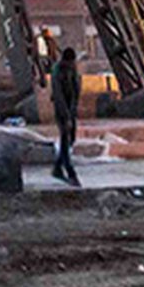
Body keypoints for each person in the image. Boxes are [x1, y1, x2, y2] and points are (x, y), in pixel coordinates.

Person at [49, 46, 82, 184]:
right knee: (65, 138)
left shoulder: (73, 71)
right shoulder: (57, 71)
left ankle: (57, 167)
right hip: (61, 109)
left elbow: (76, 93)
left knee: (71, 139)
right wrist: (66, 117)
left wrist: (73, 113)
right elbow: (58, 96)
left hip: (71, 109)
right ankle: (70, 172)